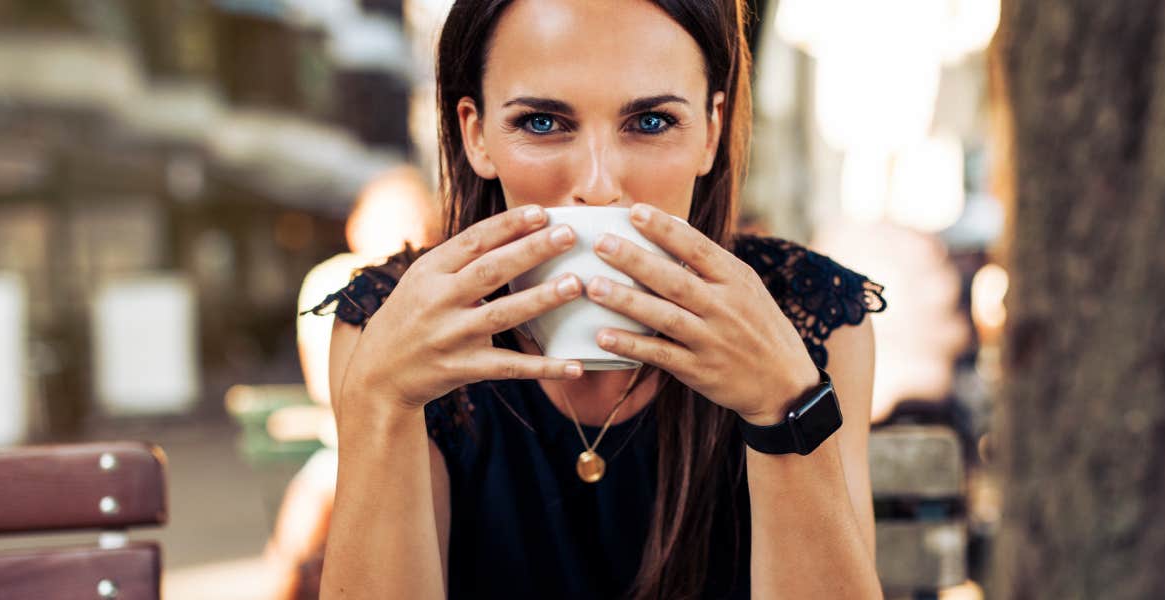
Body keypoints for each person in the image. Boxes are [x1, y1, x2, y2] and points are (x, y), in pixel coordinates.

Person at [302, 0, 888, 597]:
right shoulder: (395, 324)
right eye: (543, 123)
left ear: (711, 131)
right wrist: (381, 400)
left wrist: (784, 407)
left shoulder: (807, 317)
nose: (599, 185)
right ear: (476, 136)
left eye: (651, 122)